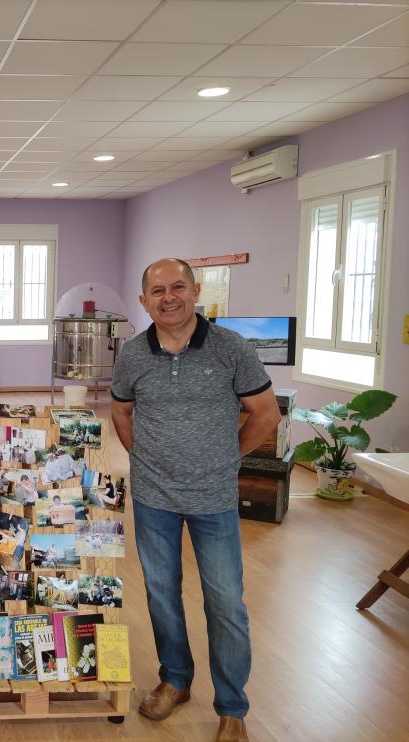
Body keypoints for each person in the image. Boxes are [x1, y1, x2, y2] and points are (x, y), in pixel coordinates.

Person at [111, 258, 281, 742]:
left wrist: (228, 456)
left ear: (196, 291)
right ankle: (176, 680)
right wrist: (140, 457)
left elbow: (264, 415)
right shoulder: (132, 355)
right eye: (158, 290)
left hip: (214, 498)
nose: (169, 297)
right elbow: (121, 411)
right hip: (153, 497)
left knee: (225, 602)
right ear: (144, 301)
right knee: (162, 593)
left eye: (178, 287)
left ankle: (231, 707)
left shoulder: (231, 349)